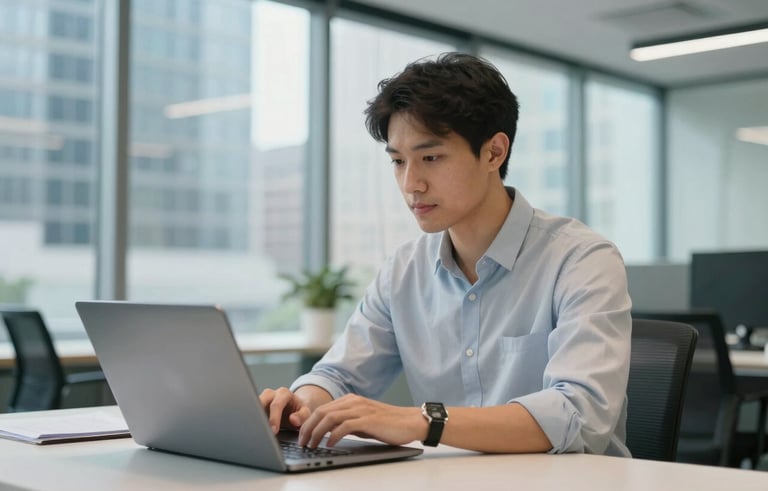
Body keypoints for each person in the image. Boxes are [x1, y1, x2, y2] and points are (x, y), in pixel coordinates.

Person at [260, 52, 632, 456]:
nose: (411, 184)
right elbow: (340, 375)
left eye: (431, 158)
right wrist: (303, 404)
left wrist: (423, 420)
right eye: (398, 161)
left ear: (494, 153)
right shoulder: (404, 270)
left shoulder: (581, 260)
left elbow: (579, 415)